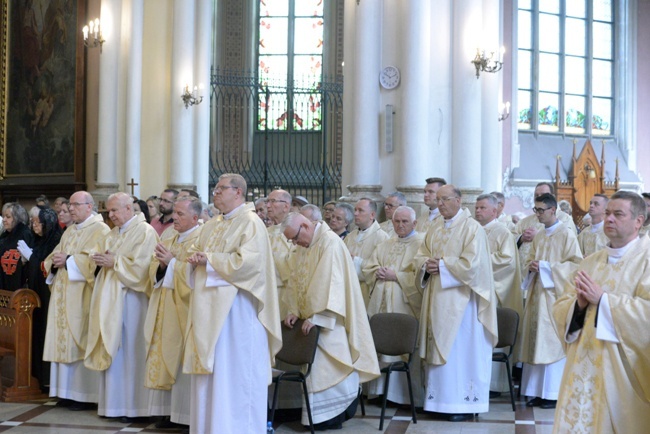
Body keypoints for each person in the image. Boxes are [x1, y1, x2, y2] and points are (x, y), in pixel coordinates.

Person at [183, 174, 281, 434]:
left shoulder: (251, 223)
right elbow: (197, 252)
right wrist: (195, 259)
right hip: (207, 309)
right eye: (215, 189)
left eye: (220, 188)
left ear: (238, 192)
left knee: (233, 374)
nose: (215, 193)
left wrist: (210, 259)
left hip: (237, 313)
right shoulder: (212, 224)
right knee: (211, 375)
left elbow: (250, 264)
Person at [552, 190, 650, 433]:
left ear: (639, 221)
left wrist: (604, 301)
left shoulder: (647, 259)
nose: (609, 219)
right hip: (582, 367)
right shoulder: (590, 262)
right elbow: (562, 304)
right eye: (607, 213)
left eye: (618, 214)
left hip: (622, 374)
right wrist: (579, 306)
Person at [282, 212, 380, 430]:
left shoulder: (330, 243)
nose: (295, 243)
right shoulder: (305, 245)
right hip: (310, 319)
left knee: (333, 365)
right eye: (291, 240)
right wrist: (293, 310)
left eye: (295, 237)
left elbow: (331, 283)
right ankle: (318, 417)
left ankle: (334, 415)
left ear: (306, 226)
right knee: (315, 371)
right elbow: (297, 278)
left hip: (329, 319)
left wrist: (319, 316)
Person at [414, 184, 498, 422]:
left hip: (463, 304)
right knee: (440, 349)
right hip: (436, 298)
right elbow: (421, 255)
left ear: (459, 201)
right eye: (437, 200)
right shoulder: (434, 227)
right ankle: (437, 401)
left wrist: (441, 265)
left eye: (445, 199)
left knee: (460, 351)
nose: (439, 204)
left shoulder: (472, 229)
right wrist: (426, 265)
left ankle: (461, 404)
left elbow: (474, 265)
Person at [84, 192, 159, 421]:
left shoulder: (145, 232)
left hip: (132, 301)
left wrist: (114, 261)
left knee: (131, 351)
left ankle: (135, 408)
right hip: (110, 300)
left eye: (115, 210)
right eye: (109, 211)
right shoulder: (113, 234)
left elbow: (143, 268)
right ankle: (113, 406)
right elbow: (97, 260)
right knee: (114, 350)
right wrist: (96, 259)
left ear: (129, 209)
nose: (111, 215)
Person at [44, 191, 110, 410]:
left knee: (80, 341)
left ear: (89, 206)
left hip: (82, 296)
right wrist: (53, 262)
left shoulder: (101, 230)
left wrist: (70, 260)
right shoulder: (70, 231)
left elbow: (96, 262)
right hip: (63, 294)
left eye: (74, 205)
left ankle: (83, 395)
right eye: (69, 205)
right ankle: (64, 392)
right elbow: (54, 256)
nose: (70, 208)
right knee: (63, 343)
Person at [519, 193, 582, 409]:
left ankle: (552, 393)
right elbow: (529, 259)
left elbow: (576, 265)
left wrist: (546, 267)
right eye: (535, 210)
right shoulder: (539, 235)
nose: (537, 214)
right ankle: (536, 391)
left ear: (553, 210)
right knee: (536, 343)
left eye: (541, 210)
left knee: (551, 344)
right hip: (538, 294)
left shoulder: (566, 234)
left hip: (556, 299)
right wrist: (532, 266)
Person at [145, 197, 203, 429]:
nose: (174, 218)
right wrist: (160, 266)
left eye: (180, 214)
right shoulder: (167, 235)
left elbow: (196, 275)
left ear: (195, 218)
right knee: (164, 354)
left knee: (181, 359)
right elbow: (153, 265)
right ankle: (167, 412)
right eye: (175, 213)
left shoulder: (202, 237)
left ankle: (185, 416)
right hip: (164, 304)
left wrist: (172, 263)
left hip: (186, 309)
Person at [363, 205, 424, 406]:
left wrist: (396, 275)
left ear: (414, 223)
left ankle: (400, 396)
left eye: (405, 221)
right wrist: (376, 272)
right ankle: (378, 392)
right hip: (380, 304)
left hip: (404, 306)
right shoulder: (384, 245)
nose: (400, 225)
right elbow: (368, 267)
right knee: (379, 344)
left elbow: (422, 276)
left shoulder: (422, 244)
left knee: (399, 346)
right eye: (396, 221)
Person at [474, 193, 524, 395]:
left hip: (493, 292)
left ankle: (494, 384)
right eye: (476, 207)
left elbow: (508, 261)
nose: (477, 211)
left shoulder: (502, 232)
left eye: (482, 208)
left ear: (495, 211)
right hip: (474, 291)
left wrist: (477, 261)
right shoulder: (472, 230)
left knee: (489, 336)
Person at [19, 206, 62, 391]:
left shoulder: (55, 240)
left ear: (47, 223)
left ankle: (47, 379)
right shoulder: (37, 240)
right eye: (33, 222)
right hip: (35, 294)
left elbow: (49, 267)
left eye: (37, 222)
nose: (34, 226)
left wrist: (32, 258)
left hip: (48, 295)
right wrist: (27, 261)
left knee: (45, 332)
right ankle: (37, 375)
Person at [514, 182, 577, 275]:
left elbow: (570, 254)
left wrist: (538, 235)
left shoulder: (565, 219)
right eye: (536, 195)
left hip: (553, 276)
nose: (538, 197)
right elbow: (511, 239)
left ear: (552, 196)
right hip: (528, 275)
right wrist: (521, 238)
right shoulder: (525, 221)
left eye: (543, 195)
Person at [344, 198, 389, 305]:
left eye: (360, 210)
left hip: (366, 295)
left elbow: (380, 270)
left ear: (372, 215)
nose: (355, 213)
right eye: (355, 210)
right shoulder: (350, 237)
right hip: (347, 290)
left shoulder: (382, 238)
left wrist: (355, 261)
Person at [0, 202, 34, 291]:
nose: (4, 220)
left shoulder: (26, 235)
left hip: (20, 286)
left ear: (17, 218)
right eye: (3, 216)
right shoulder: (4, 236)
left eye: (8, 217)